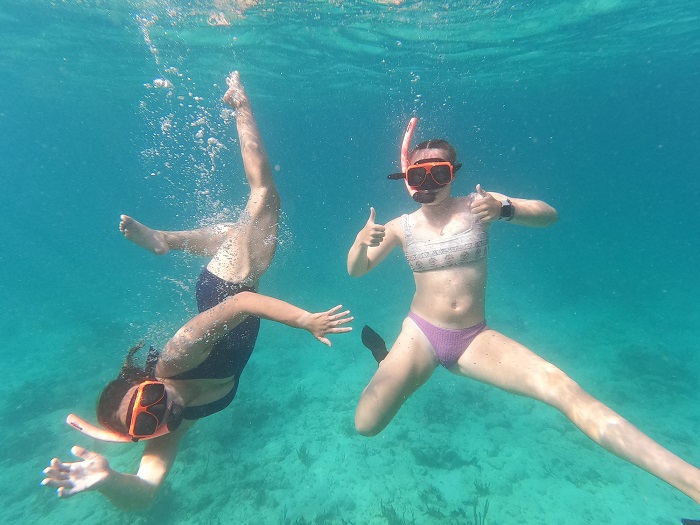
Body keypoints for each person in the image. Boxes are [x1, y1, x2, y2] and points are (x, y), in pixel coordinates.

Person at [347, 117, 700, 507]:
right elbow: (357, 270)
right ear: (408, 176)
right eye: (420, 173)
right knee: (366, 425)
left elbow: (548, 214)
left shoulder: (480, 205)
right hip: (420, 335)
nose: (429, 182)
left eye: (439, 172)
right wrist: (361, 243)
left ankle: (692, 483)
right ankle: (390, 361)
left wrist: (505, 209)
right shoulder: (400, 226)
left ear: (454, 173)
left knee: (562, 388)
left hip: (473, 339)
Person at [41, 71, 353, 510]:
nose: (160, 413)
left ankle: (240, 104)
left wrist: (306, 320)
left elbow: (242, 302)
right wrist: (107, 481)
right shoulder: (174, 424)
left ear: (148, 382)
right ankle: (165, 239)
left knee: (264, 194)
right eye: (146, 426)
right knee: (230, 231)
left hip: (229, 287)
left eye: (147, 401)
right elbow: (144, 496)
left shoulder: (175, 358)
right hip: (225, 291)